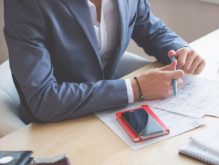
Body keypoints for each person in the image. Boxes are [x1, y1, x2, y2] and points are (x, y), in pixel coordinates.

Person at [3, 0, 205, 124]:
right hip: (57, 125)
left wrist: (181, 50)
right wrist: (135, 88)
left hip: (110, 112)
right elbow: (42, 100)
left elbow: (152, 31)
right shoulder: (26, 3)